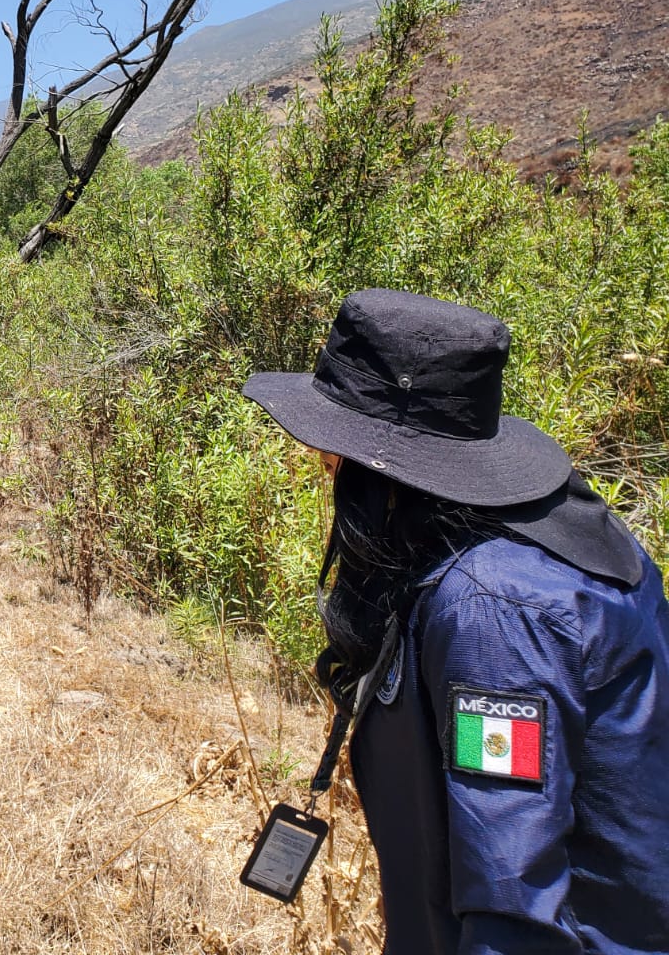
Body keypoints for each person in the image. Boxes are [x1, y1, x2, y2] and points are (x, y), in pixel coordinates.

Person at [242, 288, 669, 953]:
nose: (322, 464)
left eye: (330, 451)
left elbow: (511, 905)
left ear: (373, 467)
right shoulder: (556, 540)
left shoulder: (494, 613)